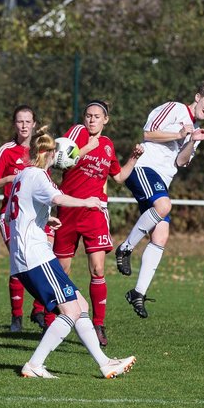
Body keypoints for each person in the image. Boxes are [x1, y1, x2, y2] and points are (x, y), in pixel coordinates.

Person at [7, 128, 137, 379]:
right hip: (34, 257)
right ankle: (34, 364)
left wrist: (46, 221)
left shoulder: (23, 175)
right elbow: (59, 198)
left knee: (80, 303)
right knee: (71, 311)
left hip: (33, 255)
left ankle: (105, 362)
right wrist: (87, 201)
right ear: (46, 153)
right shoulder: (37, 175)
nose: (58, 157)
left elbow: (21, 212)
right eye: (55, 152)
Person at [114, 80, 204, 318]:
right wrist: (179, 133)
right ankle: (125, 248)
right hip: (144, 168)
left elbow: (181, 162)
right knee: (164, 206)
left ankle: (138, 293)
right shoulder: (175, 108)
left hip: (162, 180)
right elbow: (147, 133)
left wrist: (194, 140)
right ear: (198, 98)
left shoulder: (194, 129)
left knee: (161, 235)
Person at [54, 100, 143, 346]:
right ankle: (53, 318)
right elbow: (58, 160)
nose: (91, 120)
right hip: (69, 209)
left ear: (106, 120)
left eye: (97, 116)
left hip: (94, 210)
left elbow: (118, 178)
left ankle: (99, 324)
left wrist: (133, 159)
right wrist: (85, 148)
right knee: (61, 271)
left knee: (98, 269)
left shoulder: (107, 145)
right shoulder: (77, 133)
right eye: (88, 116)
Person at [0, 104, 41, 332]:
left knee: (44, 259)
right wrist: (10, 177)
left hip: (36, 217)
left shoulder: (41, 151)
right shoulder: (6, 150)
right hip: (11, 217)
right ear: (14, 124)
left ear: (34, 124)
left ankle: (39, 310)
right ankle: (16, 318)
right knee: (19, 263)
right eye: (20, 121)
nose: (24, 126)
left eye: (28, 121)